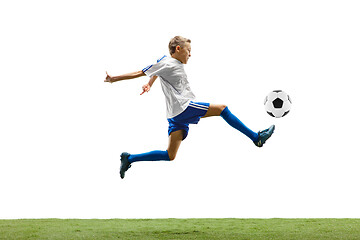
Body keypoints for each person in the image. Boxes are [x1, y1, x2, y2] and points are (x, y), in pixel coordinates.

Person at [104, 36, 275, 179]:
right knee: (222, 109)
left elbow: (155, 69)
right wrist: (114, 79)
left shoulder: (165, 61)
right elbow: (140, 72)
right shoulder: (169, 63)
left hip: (174, 115)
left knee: (170, 155)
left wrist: (149, 84)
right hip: (183, 107)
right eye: (188, 51)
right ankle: (256, 138)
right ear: (178, 49)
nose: (190, 54)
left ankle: (129, 159)